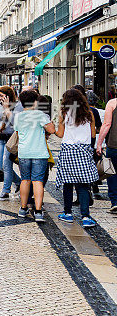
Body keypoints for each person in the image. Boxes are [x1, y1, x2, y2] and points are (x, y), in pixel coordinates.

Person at [54, 89, 99, 228]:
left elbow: (60, 134)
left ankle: (67, 213)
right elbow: (92, 135)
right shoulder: (89, 114)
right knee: (83, 185)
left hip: (68, 151)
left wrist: (53, 129)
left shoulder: (64, 114)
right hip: (84, 151)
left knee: (68, 184)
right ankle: (85, 216)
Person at [14, 89, 55, 222]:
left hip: (24, 152)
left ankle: (23, 208)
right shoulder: (40, 115)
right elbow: (52, 130)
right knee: (37, 181)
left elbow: (18, 133)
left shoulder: (18, 116)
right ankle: (38, 211)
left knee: (25, 180)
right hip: (39, 152)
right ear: (35, 101)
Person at [0, 85, 22, 201]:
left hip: (11, 139)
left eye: (1, 95)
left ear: (8, 95)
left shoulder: (18, 106)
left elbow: (16, 123)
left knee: (6, 165)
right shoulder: (2, 105)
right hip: (1, 137)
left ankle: (5, 191)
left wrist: (7, 109)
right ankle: (19, 182)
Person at [96, 93, 117, 214]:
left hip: (114, 145)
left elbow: (107, 124)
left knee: (112, 173)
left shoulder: (112, 103)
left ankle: (115, 202)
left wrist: (99, 144)